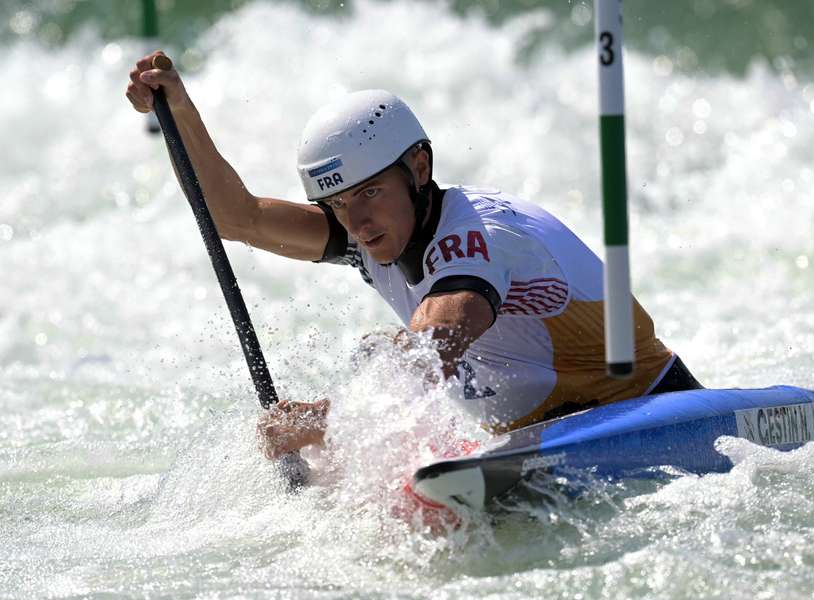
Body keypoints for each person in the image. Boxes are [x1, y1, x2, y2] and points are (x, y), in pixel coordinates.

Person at [126, 52, 703, 463]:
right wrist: (176, 113)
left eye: (371, 192)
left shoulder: (479, 234)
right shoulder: (368, 233)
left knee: (392, 352)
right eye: (339, 203)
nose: (357, 220)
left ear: (419, 169)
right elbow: (237, 218)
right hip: (540, 440)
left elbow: (437, 343)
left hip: (651, 413)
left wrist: (321, 421)